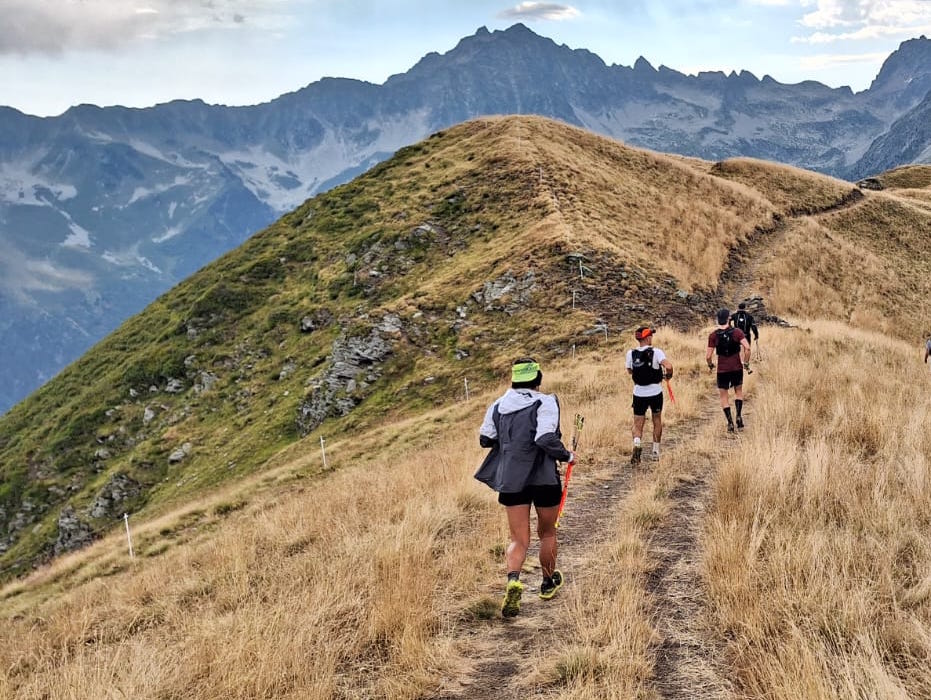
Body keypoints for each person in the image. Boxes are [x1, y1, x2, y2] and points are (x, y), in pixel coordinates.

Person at [475, 358, 574, 618]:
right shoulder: (545, 401)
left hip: (511, 480)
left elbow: (486, 439)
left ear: (514, 379)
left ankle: (513, 581)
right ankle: (547, 582)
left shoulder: (498, 405)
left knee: (519, 539)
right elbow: (545, 438)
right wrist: (567, 456)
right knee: (547, 532)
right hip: (543, 477)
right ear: (537, 378)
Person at [625, 326, 673, 464]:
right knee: (656, 420)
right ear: (647, 338)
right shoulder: (656, 352)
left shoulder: (631, 354)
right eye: (651, 335)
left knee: (638, 423)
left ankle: (637, 443)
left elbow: (629, 370)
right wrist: (668, 376)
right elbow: (668, 366)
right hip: (655, 392)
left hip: (638, 392)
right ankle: (655, 452)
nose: (652, 337)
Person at [706, 309, 752, 432]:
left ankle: (730, 422)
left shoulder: (713, 335)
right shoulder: (737, 332)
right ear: (728, 319)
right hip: (736, 367)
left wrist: (710, 365)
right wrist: (746, 363)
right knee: (738, 391)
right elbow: (747, 348)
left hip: (722, 370)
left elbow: (708, 356)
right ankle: (738, 416)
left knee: (723, 396)